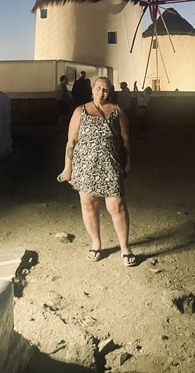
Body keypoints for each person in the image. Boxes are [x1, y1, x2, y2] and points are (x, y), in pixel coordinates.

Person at [59, 76, 136, 266]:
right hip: (85, 167)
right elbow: (71, 142)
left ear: (110, 92)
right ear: (92, 89)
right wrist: (67, 167)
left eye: (106, 89)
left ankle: (125, 248)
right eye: (99, 88)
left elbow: (125, 140)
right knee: (89, 205)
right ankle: (96, 244)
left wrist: (127, 163)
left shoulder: (117, 111)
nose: (102, 92)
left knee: (117, 206)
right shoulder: (80, 111)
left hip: (111, 165)